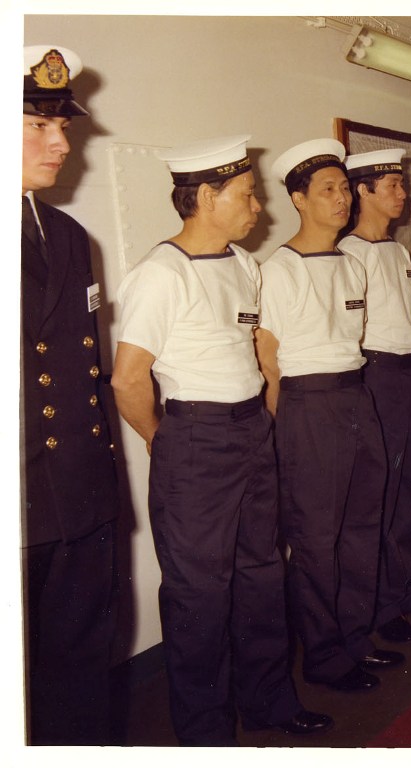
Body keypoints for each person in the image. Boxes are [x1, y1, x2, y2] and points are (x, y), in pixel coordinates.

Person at [111, 135, 331, 744]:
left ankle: (269, 704)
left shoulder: (242, 264)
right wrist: (163, 438)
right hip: (196, 440)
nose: (258, 206)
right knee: (199, 596)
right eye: (246, 194)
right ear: (206, 197)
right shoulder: (160, 274)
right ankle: (206, 734)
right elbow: (128, 380)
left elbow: (255, 350)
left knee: (262, 577)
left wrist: (263, 417)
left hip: (250, 433)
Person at [256, 139, 402, 692]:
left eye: (344, 188)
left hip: (356, 397)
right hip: (307, 407)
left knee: (363, 528)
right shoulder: (279, 271)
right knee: (317, 539)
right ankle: (322, 656)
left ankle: (355, 638)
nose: (341, 199)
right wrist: (283, 434)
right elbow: (267, 362)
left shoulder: (352, 264)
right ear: (298, 199)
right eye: (327, 190)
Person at [21, 44, 119, 746]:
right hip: (17, 504)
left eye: (63, 125)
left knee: (80, 674)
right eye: (36, 124)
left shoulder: (67, 232)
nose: (60, 142)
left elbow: (87, 368)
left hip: (79, 494)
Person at [338, 148, 411, 646]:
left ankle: (408, 587)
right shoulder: (348, 254)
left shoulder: (397, 250)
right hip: (376, 375)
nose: (401, 194)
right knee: (381, 492)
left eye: (401, 185)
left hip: (408, 372)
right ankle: (381, 604)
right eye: (390, 186)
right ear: (362, 191)